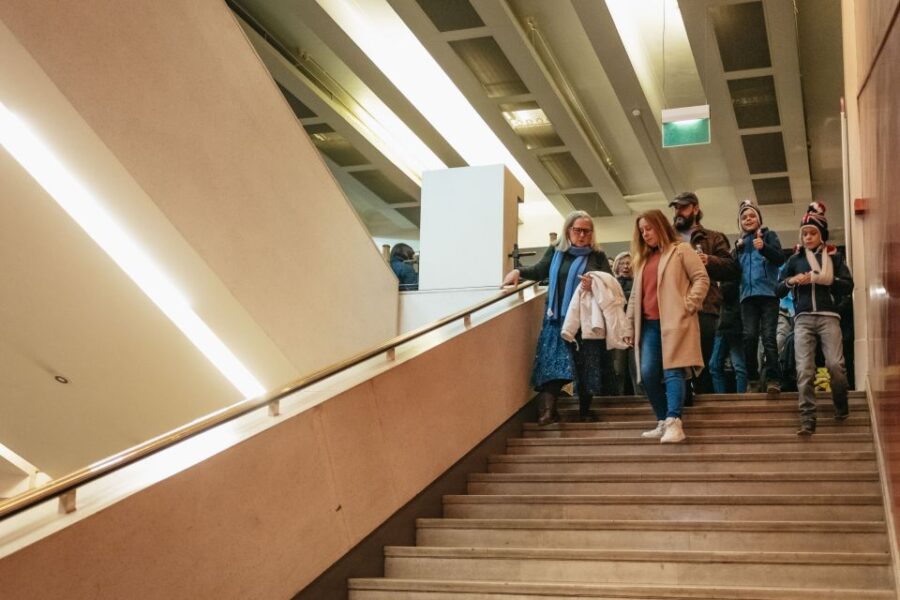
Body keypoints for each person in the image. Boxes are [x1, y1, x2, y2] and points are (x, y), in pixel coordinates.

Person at [502, 211, 613, 424]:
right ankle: (548, 412)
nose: (581, 235)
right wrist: (518, 272)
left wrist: (595, 285)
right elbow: (539, 270)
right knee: (554, 364)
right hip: (556, 318)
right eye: (577, 230)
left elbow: (610, 283)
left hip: (585, 321)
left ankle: (584, 411)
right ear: (568, 230)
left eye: (586, 231)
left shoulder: (597, 256)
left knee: (586, 365)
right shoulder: (556, 251)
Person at [623, 210, 710, 443]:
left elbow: (701, 278)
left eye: (648, 229)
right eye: (641, 231)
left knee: (674, 369)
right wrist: (629, 327)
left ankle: (674, 422)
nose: (645, 234)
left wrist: (688, 305)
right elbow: (635, 297)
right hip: (649, 325)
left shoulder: (681, 249)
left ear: (660, 226)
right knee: (649, 373)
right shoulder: (643, 259)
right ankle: (663, 420)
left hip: (674, 321)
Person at [777, 202, 853, 435]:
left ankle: (841, 407)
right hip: (802, 319)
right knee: (804, 369)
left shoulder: (835, 257)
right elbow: (777, 289)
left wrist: (824, 280)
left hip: (829, 317)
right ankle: (808, 419)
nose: (808, 237)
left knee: (835, 365)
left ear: (821, 235)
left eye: (813, 233)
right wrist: (792, 281)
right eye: (805, 233)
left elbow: (848, 286)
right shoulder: (794, 260)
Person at [670, 192, 739, 395]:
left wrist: (709, 260)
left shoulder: (713, 237)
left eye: (682, 207)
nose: (678, 212)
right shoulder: (667, 239)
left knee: (702, 360)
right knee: (677, 360)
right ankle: (681, 406)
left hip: (705, 306)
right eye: (675, 208)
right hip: (674, 306)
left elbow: (732, 269)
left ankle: (704, 406)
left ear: (695, 209)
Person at [734, 200, 786, 393]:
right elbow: (733, 271)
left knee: (769, 337)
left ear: (759, 219)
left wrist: (763, 247)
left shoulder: (769, 235)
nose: (748, 219)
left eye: (752, 215)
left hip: (768, 295)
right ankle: (753, 379)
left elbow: (780, 258)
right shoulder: (739, 244)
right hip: (747, 298)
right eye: (744, 217)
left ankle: (774, 380)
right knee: (748, 337)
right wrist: (734, 251)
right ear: (740, 222)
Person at [708, 280, 748, 393]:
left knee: (716, 365)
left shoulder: (730, 278)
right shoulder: (737, 277)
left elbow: (722, 295)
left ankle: (724, 399)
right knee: (736, 365)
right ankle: (738, 398)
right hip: (731, 324)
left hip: (729, 324)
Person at [610, 252, 639, 395]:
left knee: (637, 368)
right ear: (616, 266)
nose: (626, 266)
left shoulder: (639, 284)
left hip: (636, 330)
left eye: (629, 263)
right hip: (617, 331)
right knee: (618, 369)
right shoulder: (611, 285)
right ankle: (619, 398)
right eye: (622, 263)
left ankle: (640, 399)